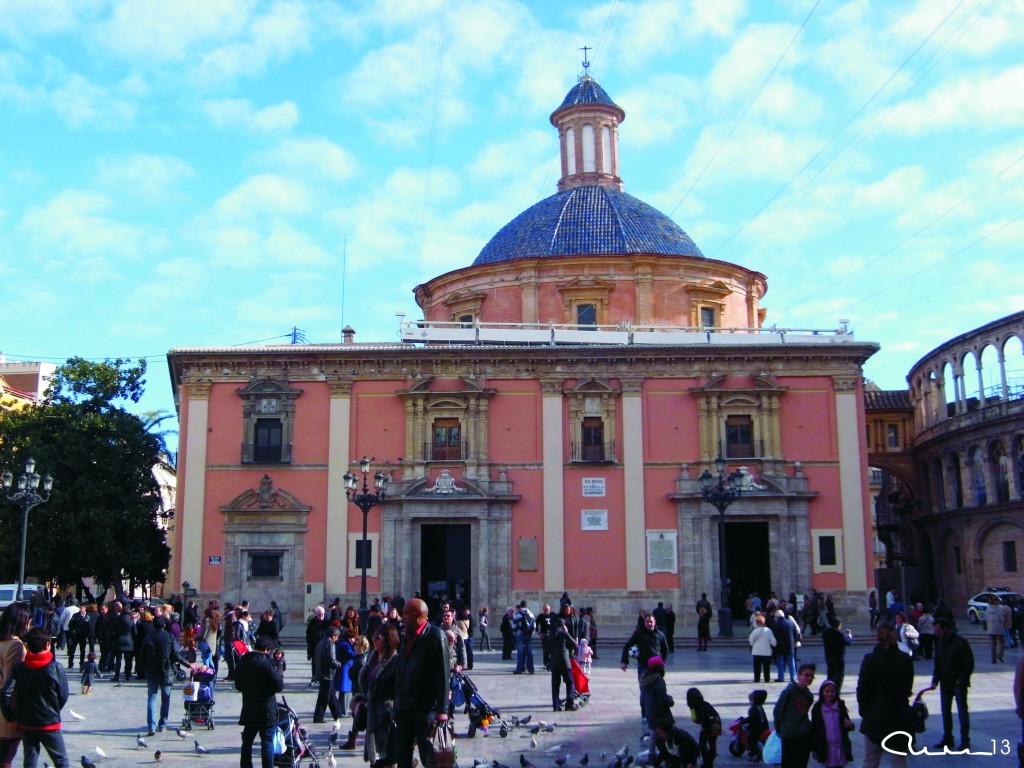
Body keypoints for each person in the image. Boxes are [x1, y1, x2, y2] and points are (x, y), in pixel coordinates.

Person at [0, 626, 70, 768]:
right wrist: (53, 710)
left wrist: (11, 717)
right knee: (61, 761)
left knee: (30, 758)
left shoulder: (19, 668)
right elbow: (63, 695)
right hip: (49, 723)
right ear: (48, 644)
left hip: (26, 722)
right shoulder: (56, 668)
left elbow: (5, 693)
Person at [394, 598, 450, 768]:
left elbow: (443, 674)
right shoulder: (407, 636)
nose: (402, 617)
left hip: (424, 709)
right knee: (403, 756)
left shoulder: (435, 636)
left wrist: (442, 710)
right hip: (404, 708)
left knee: (429, 758)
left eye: (406, 613)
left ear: (419, 616)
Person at [855, 621, 914, 768]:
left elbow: (862, 689)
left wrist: (865, 711)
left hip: (875, 714)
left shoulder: (870, 659)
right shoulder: (905, 659)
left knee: (871, 760)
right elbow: (908, 688)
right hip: (899, 714)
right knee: (899, 760)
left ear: (878, 637)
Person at [235, 635, 284, 768]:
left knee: (247, 741)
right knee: (267, 742)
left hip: (249, 707)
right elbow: (279, 685)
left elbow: (238, 685)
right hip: (266, 709)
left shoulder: (243, 661)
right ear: (267, 649)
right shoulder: (267, 664)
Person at [926, 616, 974, 751]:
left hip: (958, 683)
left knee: (962, 712)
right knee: (945, 711)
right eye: (935, 631)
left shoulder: (960, 642)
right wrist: (935, 680)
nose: (936, 634)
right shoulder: (940, 643)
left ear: (946, 629)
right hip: (945, 682)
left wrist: (961, 680)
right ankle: (948, 738)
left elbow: (968, 663)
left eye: (938, 631)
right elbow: (938, 663)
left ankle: (965, 741)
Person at [354, 623, 399, 764]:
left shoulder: (395, 661)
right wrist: (360, 700)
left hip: (387, 717)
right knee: (376, 759)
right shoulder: (373, 657)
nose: (374, 640)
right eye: (373, 637)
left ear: (388, 639)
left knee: (387, 757)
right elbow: (367, 685)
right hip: (372, 715)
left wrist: (392, 708)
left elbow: (400, 689)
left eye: (378, 637)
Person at [620, 613, 669, 725]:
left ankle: (658, 712)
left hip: (657, 668)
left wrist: (663, 662)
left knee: (659, 689)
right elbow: (627, 646)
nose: (649, 624)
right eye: (647, 622)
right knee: (644, 691)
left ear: (655, 622)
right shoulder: (639, 634)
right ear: (644, 623)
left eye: (651, 621)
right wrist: (624, 661)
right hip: (644, 666)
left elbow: (666, 650)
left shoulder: (660, 634)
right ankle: (645, 715)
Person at [138, 615, 183, 735]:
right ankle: (162, 724)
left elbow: (141, 657)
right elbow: (176, 654)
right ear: (164, 625)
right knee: (166, 699)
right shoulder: (169, 636)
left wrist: (144, 670)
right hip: (167, 672)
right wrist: (189, 664)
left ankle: (151, 727)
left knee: (152, 698)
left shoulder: (148, 638)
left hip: (151, 672)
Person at [0, 601, 31, 768]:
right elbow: (10, 684)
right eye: (28, 620)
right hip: (6, 710)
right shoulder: (15, 645)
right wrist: (11, 715)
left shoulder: (3, 641)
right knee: (5, 759)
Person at [773, 662, 815, 768]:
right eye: (806, 675)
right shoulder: (789, 691)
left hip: (803, 735)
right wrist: (779, 730)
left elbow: (804, 712)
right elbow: (778, 711)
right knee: (788, 763)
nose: (809, 678)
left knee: (801, 763)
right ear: (799, 675)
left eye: (811, 676)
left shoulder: (809, 695)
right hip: (789, 734)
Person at [810, 680, 853, 768]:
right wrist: (814, 748)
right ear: (822, 692)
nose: (830, 694)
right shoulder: (817, 708)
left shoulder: (840, 706)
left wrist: (850, 725)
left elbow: (849, 725)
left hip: (840, 747)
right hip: (826, 748)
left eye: (832, 691)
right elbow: (814, 729)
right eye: (827, 691)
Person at [313, 626, 343, 723]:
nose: (337, 639)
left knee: (331, 695)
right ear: (333, 636)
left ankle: (337, 713)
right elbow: (331, 660)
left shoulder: (320, 643)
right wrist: (340, 664)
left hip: (321, 672)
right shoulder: (330, 644)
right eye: (337, 637)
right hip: (327, 674)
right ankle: (318, 717)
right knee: (324, 697)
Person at [685, 687, 721, 768]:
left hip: (708, 726)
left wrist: (700, 721)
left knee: (702, 743)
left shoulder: (693, 707)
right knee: (712, 743)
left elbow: (695, 719)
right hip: (716, 723)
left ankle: (707, 763)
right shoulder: (705, 703)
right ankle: (710, 761)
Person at [548, 618, 578, 712]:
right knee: (570, 682)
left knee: (555, 685)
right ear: (563, 625)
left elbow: (547, 648)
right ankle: (569, 704)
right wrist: (567, 632)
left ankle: (556, 705)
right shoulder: (563, 633)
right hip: (565, 662)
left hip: (554, 662)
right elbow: (574, 644)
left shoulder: (551, 634)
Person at [821, 617, 852, 693]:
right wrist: (849, 636)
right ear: (838, 625)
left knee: (830, 674)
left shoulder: (825, 632)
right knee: (839, 675)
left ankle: (828, 689)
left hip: (828, 656)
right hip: (838, 657)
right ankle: (837, 690)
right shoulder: (838, 634)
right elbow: (848, 642)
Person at [748, 613, 776, 683]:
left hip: (756, 652)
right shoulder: (768, 630)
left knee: (757, 667)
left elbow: (751, 642)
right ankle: (767, 679)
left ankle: (756, 679)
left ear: (757, 623)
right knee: (767, 667)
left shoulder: (754, 631)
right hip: (766, 651)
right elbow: (773, 642)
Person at [744, 689, 770, 762]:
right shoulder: (759, 707)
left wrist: (743, 721)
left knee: (750, 739)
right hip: (763, 727)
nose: (750, 702)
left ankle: (754, 753)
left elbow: (751, 718)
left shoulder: (754, 708)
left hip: (758, 729)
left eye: (751, 700)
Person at [511, 601, 536, 675]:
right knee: (529, 652)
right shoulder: (531, 614)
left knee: (520, 653)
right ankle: (531, 669)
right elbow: (534, 626)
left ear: (520, 606)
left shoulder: (517, 615)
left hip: (520, 634)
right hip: (529, 636)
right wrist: (531, 633)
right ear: (526, 606)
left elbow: (514, 627)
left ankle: (519, 669)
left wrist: (516, 634)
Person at [987, 596, 1006, 664]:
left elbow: (986, 618)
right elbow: (1001, 619)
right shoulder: (999, 608)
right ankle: (1000, 655)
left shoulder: (988, 608)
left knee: (993, 644)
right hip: (998, 627)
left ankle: (993, 659)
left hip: (991, 628)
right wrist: (1004, 619)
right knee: (1002, 641)